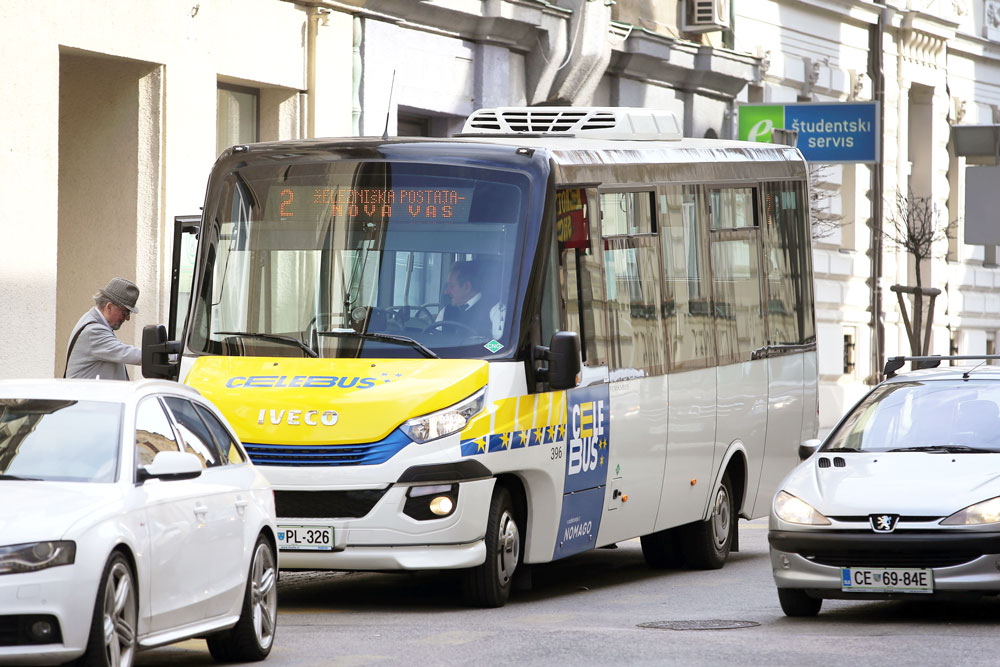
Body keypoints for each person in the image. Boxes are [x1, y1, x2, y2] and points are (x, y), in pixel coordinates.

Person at [64, 277, 142, 380]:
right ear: (109, 307)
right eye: (125, 312)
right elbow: (129, 354)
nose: (127, 318)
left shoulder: (93, 320)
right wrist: (164, 355)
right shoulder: (94, 331)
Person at [437, 261, 505, 339]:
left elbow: (501, 346)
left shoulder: (496, 310)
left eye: (451, 286)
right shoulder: (445, 311)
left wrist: (483, 345)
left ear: (467, 287)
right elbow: (434, 340)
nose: (446, 291)